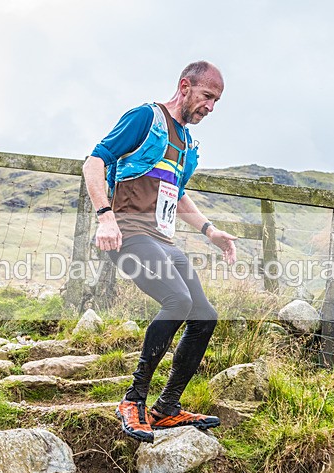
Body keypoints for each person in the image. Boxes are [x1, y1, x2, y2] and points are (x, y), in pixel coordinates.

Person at [82, 60, 238, 443]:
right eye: (206, 97)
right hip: (128, 235)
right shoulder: (145, 118)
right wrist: (105, 217)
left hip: (162, 241)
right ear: (185, 86)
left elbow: (177, 195)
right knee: (178, 301)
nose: (210, 108)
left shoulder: (186, 143)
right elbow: (94, 162)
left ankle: (167, 408)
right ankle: (132, 400)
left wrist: (210, 230)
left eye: (217, 101)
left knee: (205, 316)